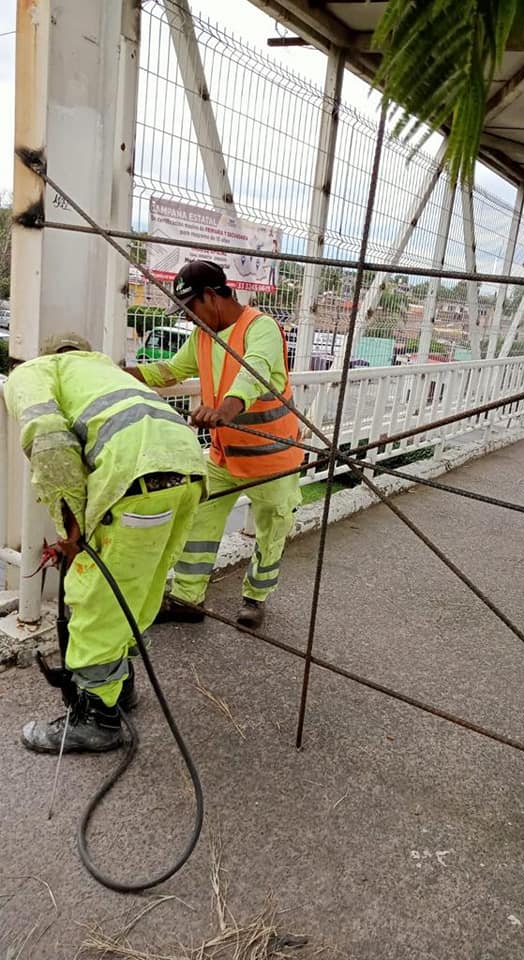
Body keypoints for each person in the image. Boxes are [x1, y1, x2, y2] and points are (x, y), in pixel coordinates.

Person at [3, 333, 206, 753]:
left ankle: (98, 720)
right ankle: (118, 686)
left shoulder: (33, 372)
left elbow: (50, 443)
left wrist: (69, 529)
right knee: (136, 589)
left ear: (50, 355)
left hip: (135, 477)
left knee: (96, 599)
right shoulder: (105, 371)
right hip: (187, 470)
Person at [127, 260, 303, 629]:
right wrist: (115, 372)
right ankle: (188, 598)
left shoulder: (261, 328)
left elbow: (251, 374)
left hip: (273, 460)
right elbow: (171, 371)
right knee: (199, 520)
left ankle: (255, 598)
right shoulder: (203, 336)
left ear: (211, 295)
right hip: (223, 457)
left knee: (273, 529)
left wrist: (224, 410)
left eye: (191, 308)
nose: (189, 318)